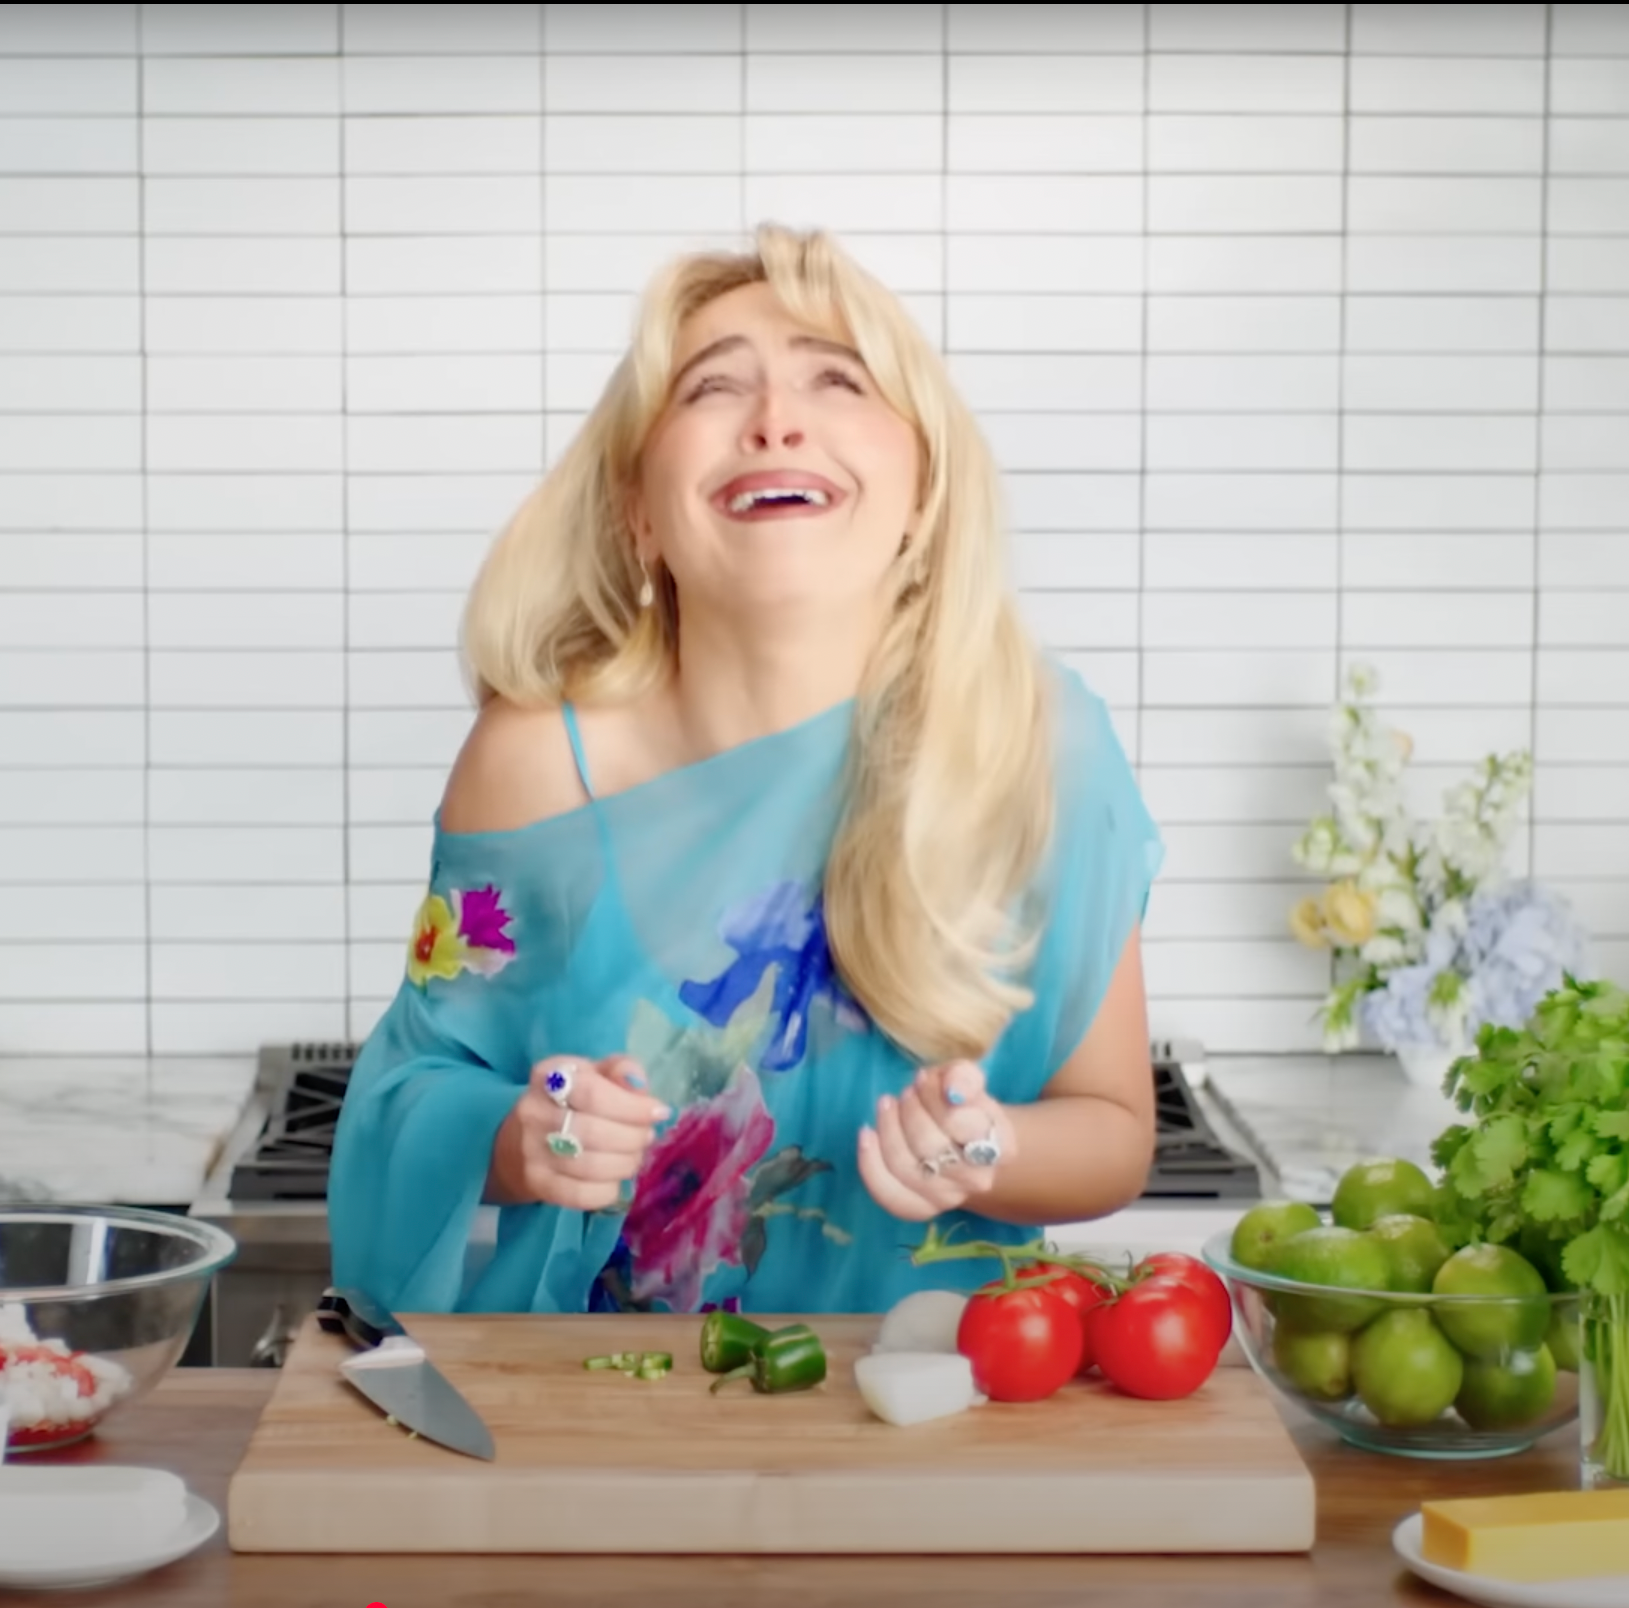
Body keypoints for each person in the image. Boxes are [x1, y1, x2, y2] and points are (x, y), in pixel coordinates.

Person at [326, 223, 1165, 1317]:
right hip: (601, 1428)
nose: (777, 418)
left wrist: (986, 1148)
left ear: (922, 492)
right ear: (637, 508)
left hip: (929, 1423)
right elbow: (406, 1095)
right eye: (713, 388)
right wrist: (517, 1139)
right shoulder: (536, 766)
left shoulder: (1041, 750)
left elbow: (1111, 1126)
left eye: (838, 379)